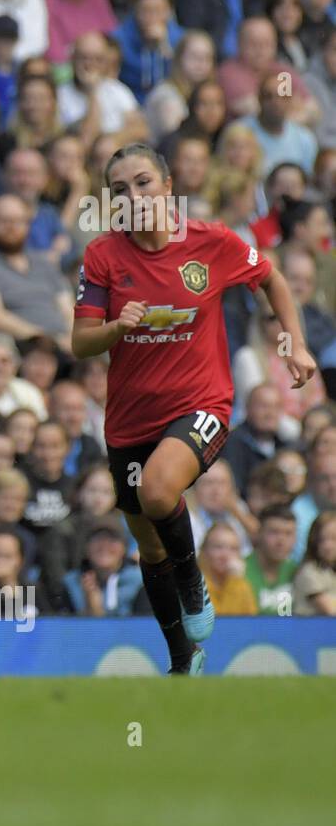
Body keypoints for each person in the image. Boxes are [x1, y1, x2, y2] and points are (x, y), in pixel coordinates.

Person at [72, 143, 316, 674]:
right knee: (147, 545)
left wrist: (295, 342)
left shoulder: (211, 243)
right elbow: (81, 343)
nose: (132, 197)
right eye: (119, 190)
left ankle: (193, 578)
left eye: (142, 183)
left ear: (165, 185)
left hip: (201, 403)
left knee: (157, 490)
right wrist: (117, 327)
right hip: (129, 420)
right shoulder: (103, 257)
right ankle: (183, 661)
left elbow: (271, 277)